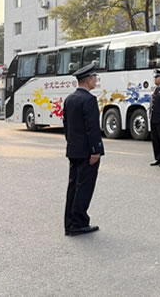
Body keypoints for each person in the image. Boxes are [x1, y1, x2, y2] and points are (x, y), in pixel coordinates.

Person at [63, 63, 104, 237]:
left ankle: (69, 223)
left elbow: (67, 126)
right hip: (88, 152)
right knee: (84, 188)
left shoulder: (70, 99)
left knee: (73, 187)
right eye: (94, 77)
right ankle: (78, 223)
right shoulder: (89, 100)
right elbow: (92, 128)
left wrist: (71, 143)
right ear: (88, 80)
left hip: (74, 150)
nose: (96, 80)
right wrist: (96, 150)